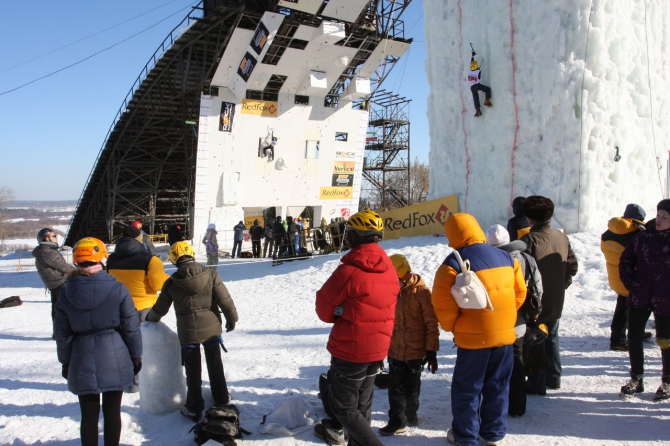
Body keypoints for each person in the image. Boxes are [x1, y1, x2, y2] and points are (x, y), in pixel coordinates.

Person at [432, 213, 526, 446]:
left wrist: (454, 327)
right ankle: (493, 434)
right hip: (505, 337)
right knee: (498, 386)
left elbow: (443, 308)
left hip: (473, 342)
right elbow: (520, 294)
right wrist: (502, 319)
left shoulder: (451, 264)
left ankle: (465, 436)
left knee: (467, 390)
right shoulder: (506, 257)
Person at [314, 210, 398, 446]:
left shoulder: (349, 270)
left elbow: (323, 309)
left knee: (343, 407)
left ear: (353, 236)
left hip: (350, 350)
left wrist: (339, 311)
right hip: (379, 348)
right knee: (362, 406)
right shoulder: (390, 269)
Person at [54, 237, 142, 446]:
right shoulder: (118, 289)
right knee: (112, 412)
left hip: (81, 355)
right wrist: (136, 355)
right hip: (115, 354)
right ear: (103, 259)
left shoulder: (66, 293)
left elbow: (62, 333)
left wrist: (65, 361)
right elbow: (131, 326)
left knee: (89, 414)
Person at [146, 241, 239, 420]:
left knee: (192, 370)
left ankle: (194, 406)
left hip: (187, 333)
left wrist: (149, 319)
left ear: (173, 259)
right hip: (211, 329)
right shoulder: (211, 275)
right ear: (192, 254)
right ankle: (221, 399)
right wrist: (231, 319)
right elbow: (225, 300)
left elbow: (160, 309)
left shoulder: (171, 283)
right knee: (215, 365)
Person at [520, 196, 578, 394]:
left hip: (534, 301)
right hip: (555, 298)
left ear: (530, 219)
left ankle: (536, 381)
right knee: (551, 336)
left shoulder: (528, 240)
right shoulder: (561, 237)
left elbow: (521, 272)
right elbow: (572, 265)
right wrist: (561, 285)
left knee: (534, 339)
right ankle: (554, 377)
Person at [486, 224, 543, 417]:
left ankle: (493, 408)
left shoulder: (487, 261)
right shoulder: (526, 258)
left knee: (493, 365)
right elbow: (537, 287)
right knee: (517, 362)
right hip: (518, 321)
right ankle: (517, 407)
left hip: (494, 322)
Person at [379, 254, 439, 436]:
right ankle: (397, 421)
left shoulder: (421, 293)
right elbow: (384, 322)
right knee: (395, 387)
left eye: (395, 280)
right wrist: (381, 348)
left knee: (412, 386)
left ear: (405, 275)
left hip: (415, 351)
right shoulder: (390, 293)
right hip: (395, 349)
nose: (392, 284)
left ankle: (411, 413)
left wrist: (431, 351)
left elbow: (431, 323)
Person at [107, 225, 169, 392]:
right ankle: (141, 381)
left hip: (119, 307)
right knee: (145, 345)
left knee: (125, 344)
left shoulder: (111, 259)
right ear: (140, 239)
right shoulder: (150, 260)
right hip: (145, 307)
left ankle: (125, 380)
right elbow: (159, 284)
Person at [618, 199, 670, 400]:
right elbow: (626, 259)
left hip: (666, 298)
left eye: (665, 217)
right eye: (658, 216)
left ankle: (667, 381)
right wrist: (630, 283)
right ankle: (636, 378)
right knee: (634, 337)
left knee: (665, 340)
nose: (659, 220)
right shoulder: (644, 238)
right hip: (641, 294)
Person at [601, 204, 649, 351]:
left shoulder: (607, 233)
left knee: (624, 306)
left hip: (616, 277)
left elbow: (604, 250)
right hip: (632, 278)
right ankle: (618, 340)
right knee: (627, 309)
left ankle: (633, 333)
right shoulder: (637, 236)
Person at [32, 228, 76, 337]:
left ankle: (59, 333)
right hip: (59, 283)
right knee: (63, 311)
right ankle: (61, 333)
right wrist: (82, 270)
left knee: (58, 309)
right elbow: (64, 267)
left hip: (55, 283)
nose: (57, 238)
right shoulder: (47, 252)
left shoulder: (45, 251)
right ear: (47, 238)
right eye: (54, 236)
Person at [468, 50, 492, 118]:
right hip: (477, 85)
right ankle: (487, 100)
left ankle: (478, 110)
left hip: (472, 88)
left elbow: (471, 63)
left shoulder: (469, 70)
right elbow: (479, 77)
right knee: (487, 89)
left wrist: (472, 56)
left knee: (475, 97)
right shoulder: (478, 71)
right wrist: (478, 69)